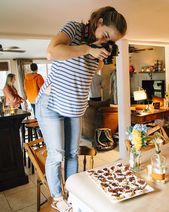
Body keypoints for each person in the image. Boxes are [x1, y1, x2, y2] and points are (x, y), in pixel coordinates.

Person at [35, 6, 127, 211]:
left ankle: (72, 192)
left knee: (71, 154)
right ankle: (58, 198)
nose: (105, 42)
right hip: (50, 104)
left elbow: (92, 72)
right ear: (99, 22)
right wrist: (88, 48)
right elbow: (51, 52)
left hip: (74, 108)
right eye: (105, 35)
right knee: (57, 154)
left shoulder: (98, 50)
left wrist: (99, 57)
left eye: (110, 40)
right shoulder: (75, 29)